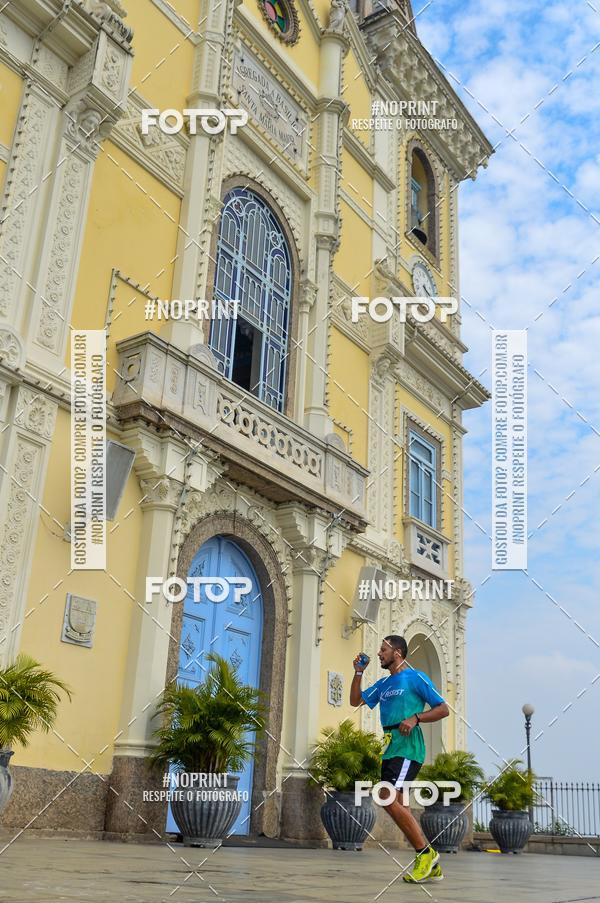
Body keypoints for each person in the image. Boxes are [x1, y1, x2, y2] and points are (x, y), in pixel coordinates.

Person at [350, 635, 449, 884]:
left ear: (398, 652)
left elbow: (443, 708)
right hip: (390, 748)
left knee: (386, 796)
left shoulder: (415, 677)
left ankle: (426, 853)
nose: (380, 653)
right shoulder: (383, 684)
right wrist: (359, 673)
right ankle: (431, 865)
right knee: (398, 804)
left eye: (384, 649)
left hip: (408, 747)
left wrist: (416, 718)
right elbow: (355, 700)